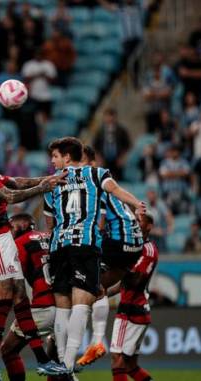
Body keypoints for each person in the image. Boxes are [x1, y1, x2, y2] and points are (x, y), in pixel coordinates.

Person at [0, 125, 68, 380]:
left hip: (3, 237)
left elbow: (15, 181)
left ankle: (42, 361)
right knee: (6, 298)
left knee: (19, 296)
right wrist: (43, 188)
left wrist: (46, 180)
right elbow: (8, 196)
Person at [44, 137, 145, 372]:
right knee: (82, 301)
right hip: (85, 244)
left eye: (56, 156)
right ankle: (69, 363)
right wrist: (136, 203)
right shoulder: (96, 175)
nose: (52, 161)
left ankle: (59, 361)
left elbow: (49, 224)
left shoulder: (51, 183)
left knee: (62, 306)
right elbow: (116, 190)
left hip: (59, 246)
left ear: (67, 157)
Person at [77, 144, 144, 367]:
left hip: (119, 241)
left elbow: (101, 222)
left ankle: (95, 341)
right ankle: (94, 340)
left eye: (83, 162)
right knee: (99, 287)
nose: (80, 167)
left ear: (93, 164)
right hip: (133, 244)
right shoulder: (101, 182)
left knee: (89, 283)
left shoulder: (96, 183)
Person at [0, 214, 59, 381]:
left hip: (43, 307)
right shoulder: (51, 237)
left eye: (11, 227)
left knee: (8, 350)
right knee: (56, 362)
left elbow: (15, 284)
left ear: (25, 224)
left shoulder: (19, 243)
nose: (9, 232)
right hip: (65, 306)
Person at [107, 213, 158, 381]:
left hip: (132, 310)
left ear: (149, 226)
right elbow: (123, 282)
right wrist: (104, 293)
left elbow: (137, 279)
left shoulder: (147, 249)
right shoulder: (132, 246)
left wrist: (119, 266)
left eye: (138, 221)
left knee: (117, 359)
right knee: (130, 366)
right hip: (133, 309)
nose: (134, 224)